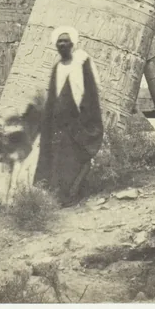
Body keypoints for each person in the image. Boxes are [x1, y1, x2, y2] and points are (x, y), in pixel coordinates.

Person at [34, 26, 104, 207]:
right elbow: (53, 97)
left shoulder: (81, 64)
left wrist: (84, 119)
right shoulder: (57, 67)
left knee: (75, 157)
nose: (63, 44)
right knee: (57, 159)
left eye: (66, 41)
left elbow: (90, 93)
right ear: (56, 45)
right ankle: (59, 197)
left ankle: (74, 195)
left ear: (72, 44)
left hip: (77, 121)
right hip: (58, 124)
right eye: (59, 41)